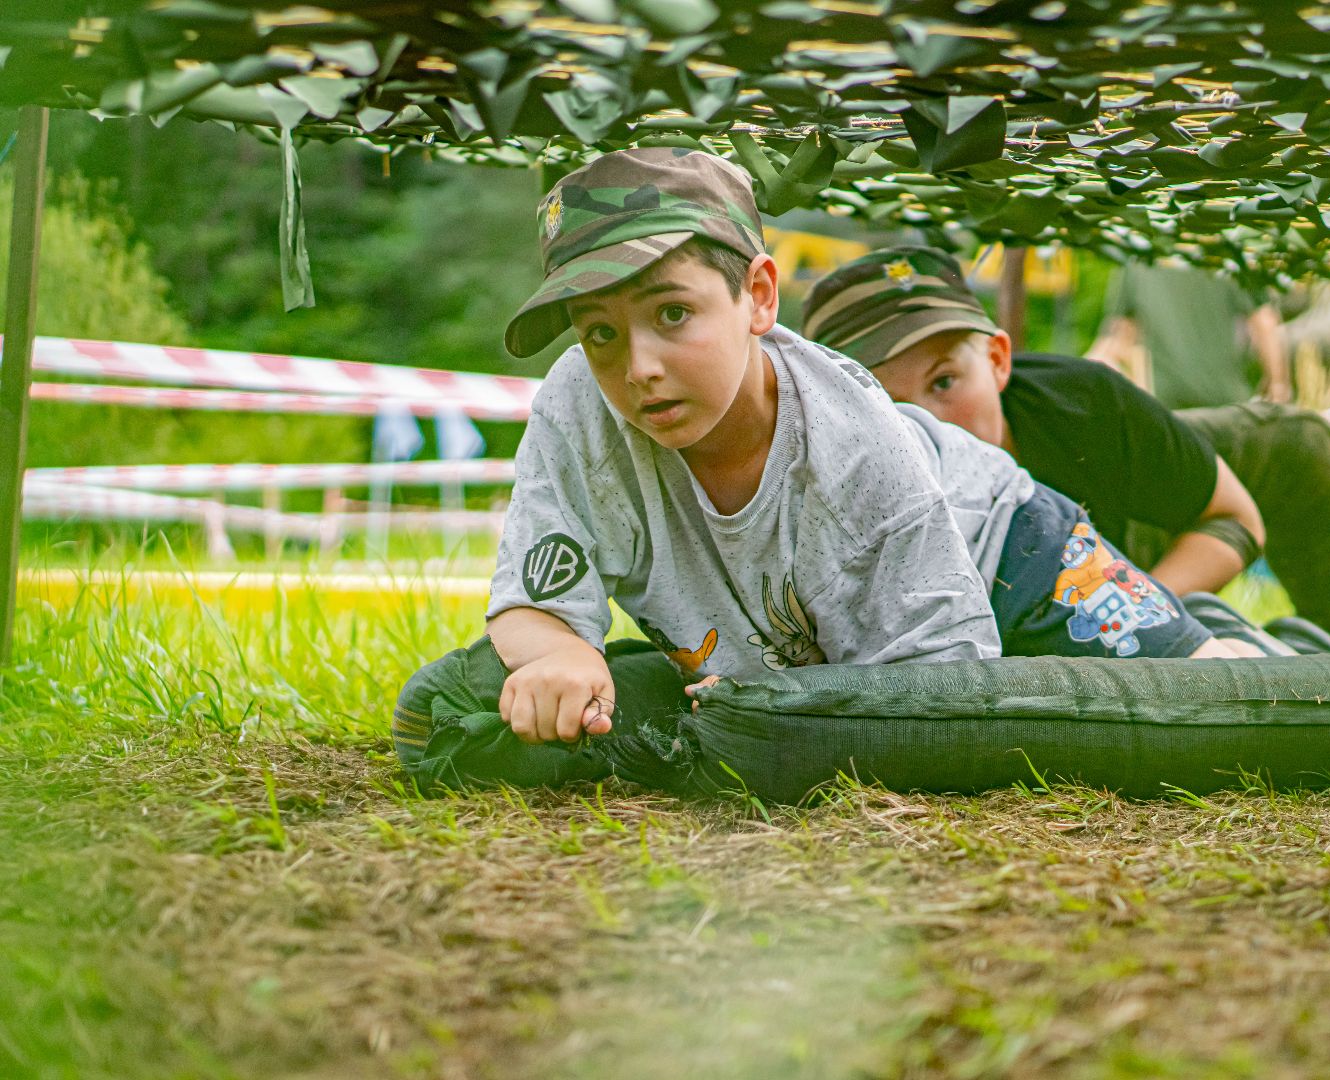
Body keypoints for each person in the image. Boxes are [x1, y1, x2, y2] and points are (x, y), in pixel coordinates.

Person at [393, 150, 1278, 790]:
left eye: (672, 313)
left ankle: (1230, 633)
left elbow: (946, 697)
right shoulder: (575, 405)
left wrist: (780, 719)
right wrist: (559, 650)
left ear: (758, 297)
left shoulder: (856, 443)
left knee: (1200, 691)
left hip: (1010, 555)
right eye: (600, 332)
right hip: (815, 649)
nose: (639, 367)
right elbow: (535, 601)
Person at [801, 245, 1330, 637]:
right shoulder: (816, 491)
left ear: (999, 360)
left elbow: (1235, 519)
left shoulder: (1083, 405)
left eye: (945, 382)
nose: (928, 422)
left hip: (1131, 525)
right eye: (888, 406)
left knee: (1295, 441)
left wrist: (1133, 610)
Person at [1088, 261, 1292, 409]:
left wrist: (1080, 378)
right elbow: (1264, 322)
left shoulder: (1139, 258)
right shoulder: (1230, 253)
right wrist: (1278, 385)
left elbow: (1115, 340)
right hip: (1225, 407)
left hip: (1170, 410)